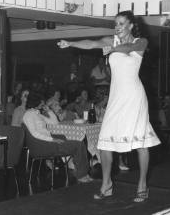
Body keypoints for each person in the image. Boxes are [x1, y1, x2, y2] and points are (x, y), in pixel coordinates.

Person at [58, 10, 161, 202]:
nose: (118, 27)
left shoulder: (141, 42)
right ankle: (107, 184)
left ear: (130, 25)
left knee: (141, 143)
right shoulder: (111, 41)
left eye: (122, 24)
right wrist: (71, 43)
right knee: (104, 142)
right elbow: (92, 43)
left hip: (134, 97)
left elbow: (128, 48)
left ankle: (142, 185)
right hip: (115, 97)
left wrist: (113, 49)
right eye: (116, 24)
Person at [22, 92, 93, 183]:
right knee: (78, 145)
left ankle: (82, 173)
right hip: (42, 145)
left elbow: (55, 123)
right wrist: (52, 139)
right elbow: (34, 133)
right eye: (41, 103)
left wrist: (49, 111)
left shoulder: (36, 114)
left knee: (78, 144)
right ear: (36, 103)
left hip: (47, 142)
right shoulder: (28, 115)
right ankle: (82, 175)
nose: (43, 104)